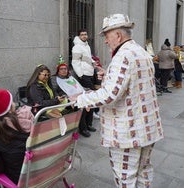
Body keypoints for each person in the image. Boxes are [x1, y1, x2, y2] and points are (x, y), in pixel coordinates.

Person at [70, 14, 164, 187]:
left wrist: (81, 99)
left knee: (125, 177)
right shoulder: (140, 51)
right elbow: (135, 82)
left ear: (118, 35)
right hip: (148, 128)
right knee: (143, 172)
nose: (105, 41)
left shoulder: (123, 56)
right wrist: (109, 75)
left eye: (106, 36)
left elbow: (109, 94)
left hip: (128, 132)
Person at [51, 58, 96, 137]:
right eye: (61, 69)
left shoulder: (70, 77)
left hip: (78, 95)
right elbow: (55, 91)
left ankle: (89, 124)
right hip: (67, 99)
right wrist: (64, 95)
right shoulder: (55, 79)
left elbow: (79, 87)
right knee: (81, 106)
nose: (64, 71)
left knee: (89, 102)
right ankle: (83, 128)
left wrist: (86, 90)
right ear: (58, 70)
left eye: (65, 69)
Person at [71, 29, 96, 129]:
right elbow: (75, 62)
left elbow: (87, 58)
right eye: (82, 35)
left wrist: (93, 62)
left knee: (91, 100)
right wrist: (81, 75)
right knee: (86, 101)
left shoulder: (86, 45)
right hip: (84, 75)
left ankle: (89, 124)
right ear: (79, 36)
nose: (84, 36)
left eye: (85, 34)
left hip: (90, 73)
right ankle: (84, 127)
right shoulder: (77, 47)